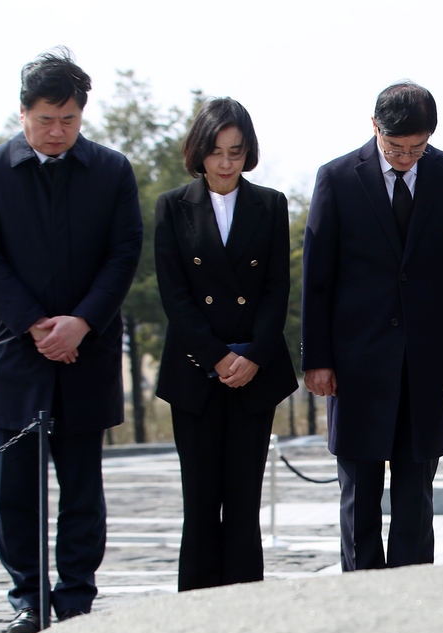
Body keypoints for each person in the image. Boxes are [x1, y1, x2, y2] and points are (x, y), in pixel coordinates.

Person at [0, 49, 142, 633]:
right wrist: (38, 325)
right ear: (22, 113)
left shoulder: (111, 171)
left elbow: (123, 255)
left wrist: (81, 324)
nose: (57, 131)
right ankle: (28, 598)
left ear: (82, 114)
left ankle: (76, 595)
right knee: (15, 488)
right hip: (14, 353)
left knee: (82, 486)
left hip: (86, 351)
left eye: (67, 119)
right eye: (45, 119)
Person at [302, 82, 443, 569]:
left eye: (417, 148)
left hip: (426, 361)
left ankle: (411, 595)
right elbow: (317, 277)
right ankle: (362, 596)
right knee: (358, 495)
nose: (406, 157)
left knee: (415, 496)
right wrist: (316, 360)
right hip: (356, 362)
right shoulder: (337, 178)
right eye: (396, 147)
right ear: (374, 127)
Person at [154, 98, 297, 590]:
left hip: (254, 374)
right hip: (195, 373)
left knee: (243, 501)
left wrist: (253, 354)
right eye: (216, 151)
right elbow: (174, 293)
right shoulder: (172, 206)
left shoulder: (271, 204)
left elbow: (278, 288)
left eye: (235, 151)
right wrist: (217, 355)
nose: (226, 162)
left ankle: (245, 608)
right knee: (199, 500)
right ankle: (194, 610)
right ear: (199, 151)